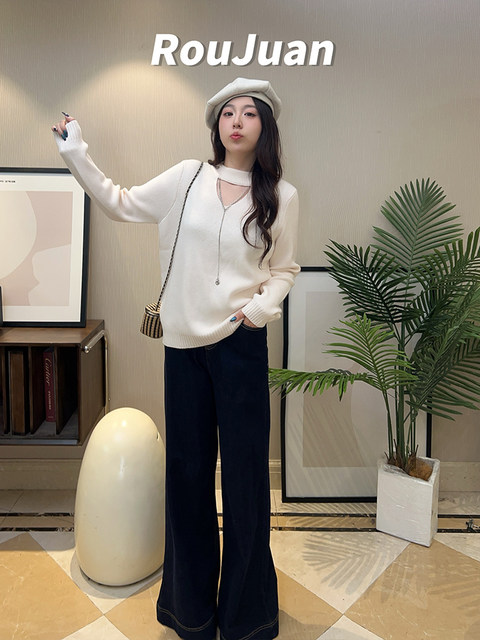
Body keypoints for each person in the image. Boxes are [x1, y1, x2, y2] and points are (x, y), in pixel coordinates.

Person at [52, 77, 299, 640]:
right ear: (216, 125)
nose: (237, 121)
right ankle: (192, 614)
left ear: (264, 126)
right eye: (228, 112)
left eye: (249, 113)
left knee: (245, 482)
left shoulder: (282, 196)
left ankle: (247, 617)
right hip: (185, 349)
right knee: (187, 478)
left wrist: (257, 311)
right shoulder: (188, 177)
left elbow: (285, 268)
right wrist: (75, 151)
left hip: (241, 346)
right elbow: (119, 202)